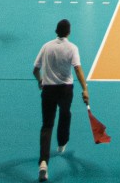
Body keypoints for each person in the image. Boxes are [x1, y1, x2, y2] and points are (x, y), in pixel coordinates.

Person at [33, 19, 91, 182]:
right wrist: (85, 89)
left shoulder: (46, 46)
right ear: (69, 33)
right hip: (65, 89)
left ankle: (43, 163)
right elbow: (77, 68)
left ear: (56, 31)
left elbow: (36, 69)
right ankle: (62, 142)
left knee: (46, 125)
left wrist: (40, 81)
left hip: (48, 89)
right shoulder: (72, 48)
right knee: (65, 114)